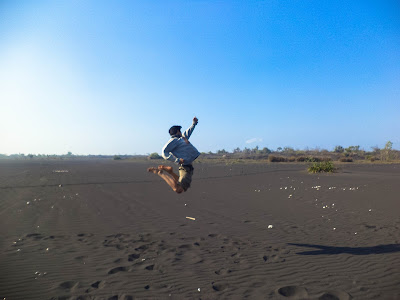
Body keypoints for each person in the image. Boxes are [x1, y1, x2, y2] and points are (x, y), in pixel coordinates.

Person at [148, 117, 200, 193]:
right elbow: (164, 152)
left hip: (188, 167)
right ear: (177, 132)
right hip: (185, 167)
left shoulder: (182, 138)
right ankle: (159, 173)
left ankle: (170, 171)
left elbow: (188, 132)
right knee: (178, 189)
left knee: (179, 182)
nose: (181, 132)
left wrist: (194, 124)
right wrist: (177, 160)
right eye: (180, 131)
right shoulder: (173, 141)